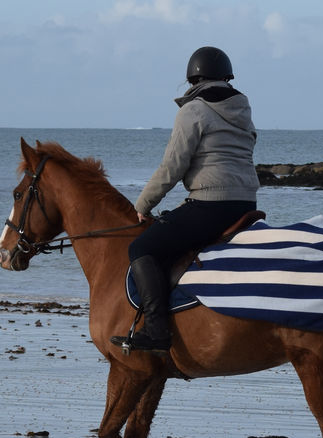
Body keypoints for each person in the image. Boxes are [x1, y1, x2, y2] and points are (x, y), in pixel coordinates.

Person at [110, 46, 259, 353]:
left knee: (142, 247)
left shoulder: (193, 111)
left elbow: (173, 166)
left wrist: (143, 205)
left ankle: (156, 331)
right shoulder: (243, 111)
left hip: (211, 205)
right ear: (226, 79)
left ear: (194, 78)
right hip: (246, 204)